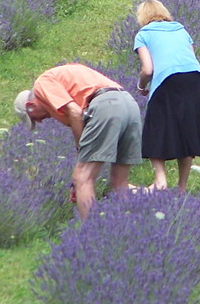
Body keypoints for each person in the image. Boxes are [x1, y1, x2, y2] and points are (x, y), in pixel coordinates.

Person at [14, 64, 143, 219]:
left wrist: (80, 154)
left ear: (30, 106)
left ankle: (93, 234)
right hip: (129, 104)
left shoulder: (43, 83)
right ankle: (125, 229)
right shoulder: (59, 87)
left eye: (34, 118)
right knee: (119, 181)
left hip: (107, 106)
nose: (40, 121)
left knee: (82, 178)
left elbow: (75, 112)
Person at [133, 0, 200, 191]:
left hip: (167, 79)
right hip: (193, 77)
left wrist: (141, 87)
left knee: (156, 126)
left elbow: (148, 70)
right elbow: (192, 57)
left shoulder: (143, 34)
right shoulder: (180, 30)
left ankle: (161, 180)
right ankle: (182, 187)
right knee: (187, 126)